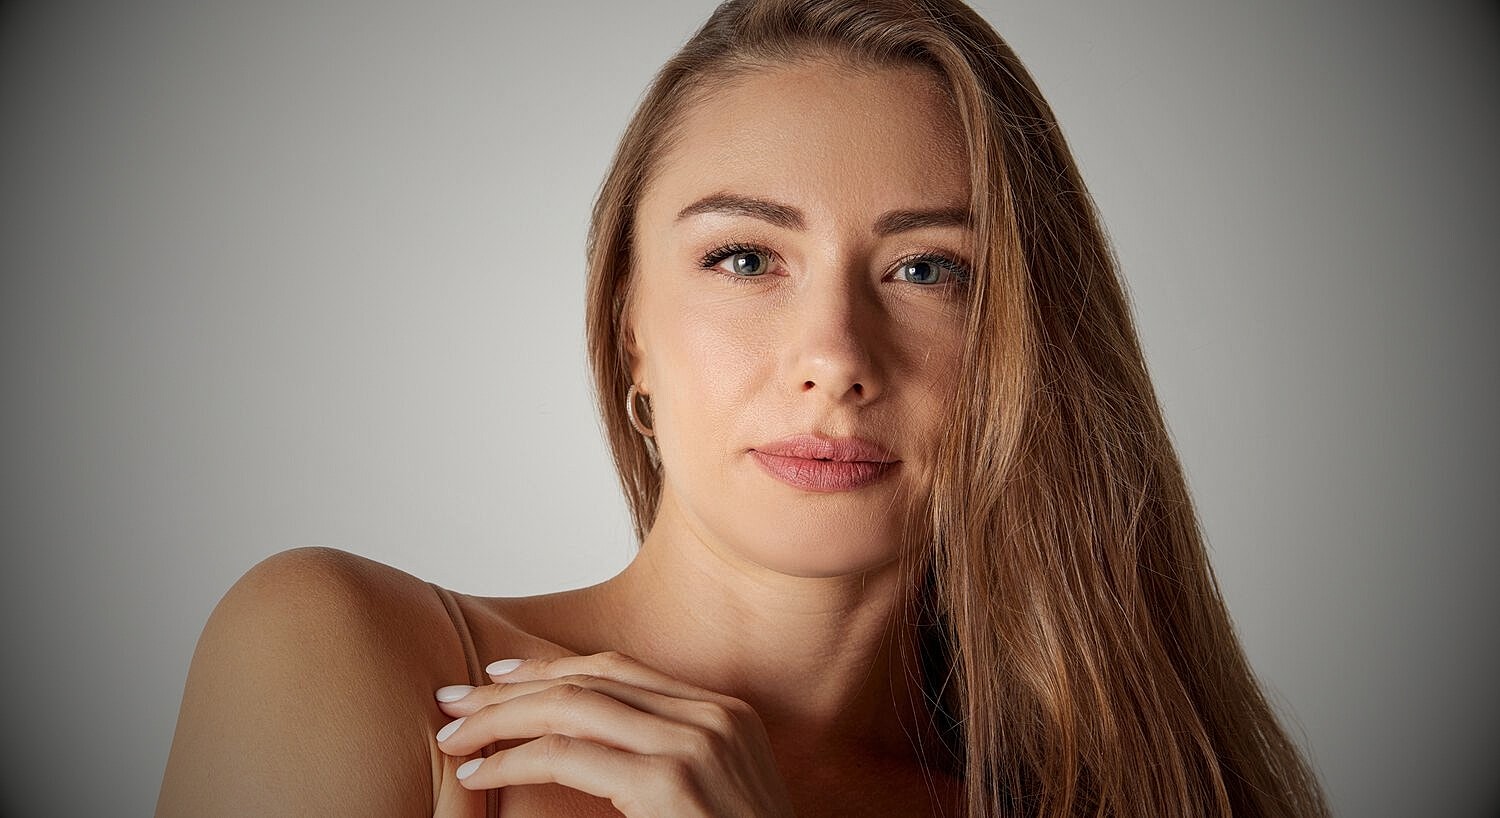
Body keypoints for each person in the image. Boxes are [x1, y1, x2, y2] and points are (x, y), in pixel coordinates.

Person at [156, 0, 1332, 815]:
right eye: (745, 258)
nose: (832, 357)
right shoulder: (353, 658)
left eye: (929, 270)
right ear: (630, 327)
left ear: (1030, 350)